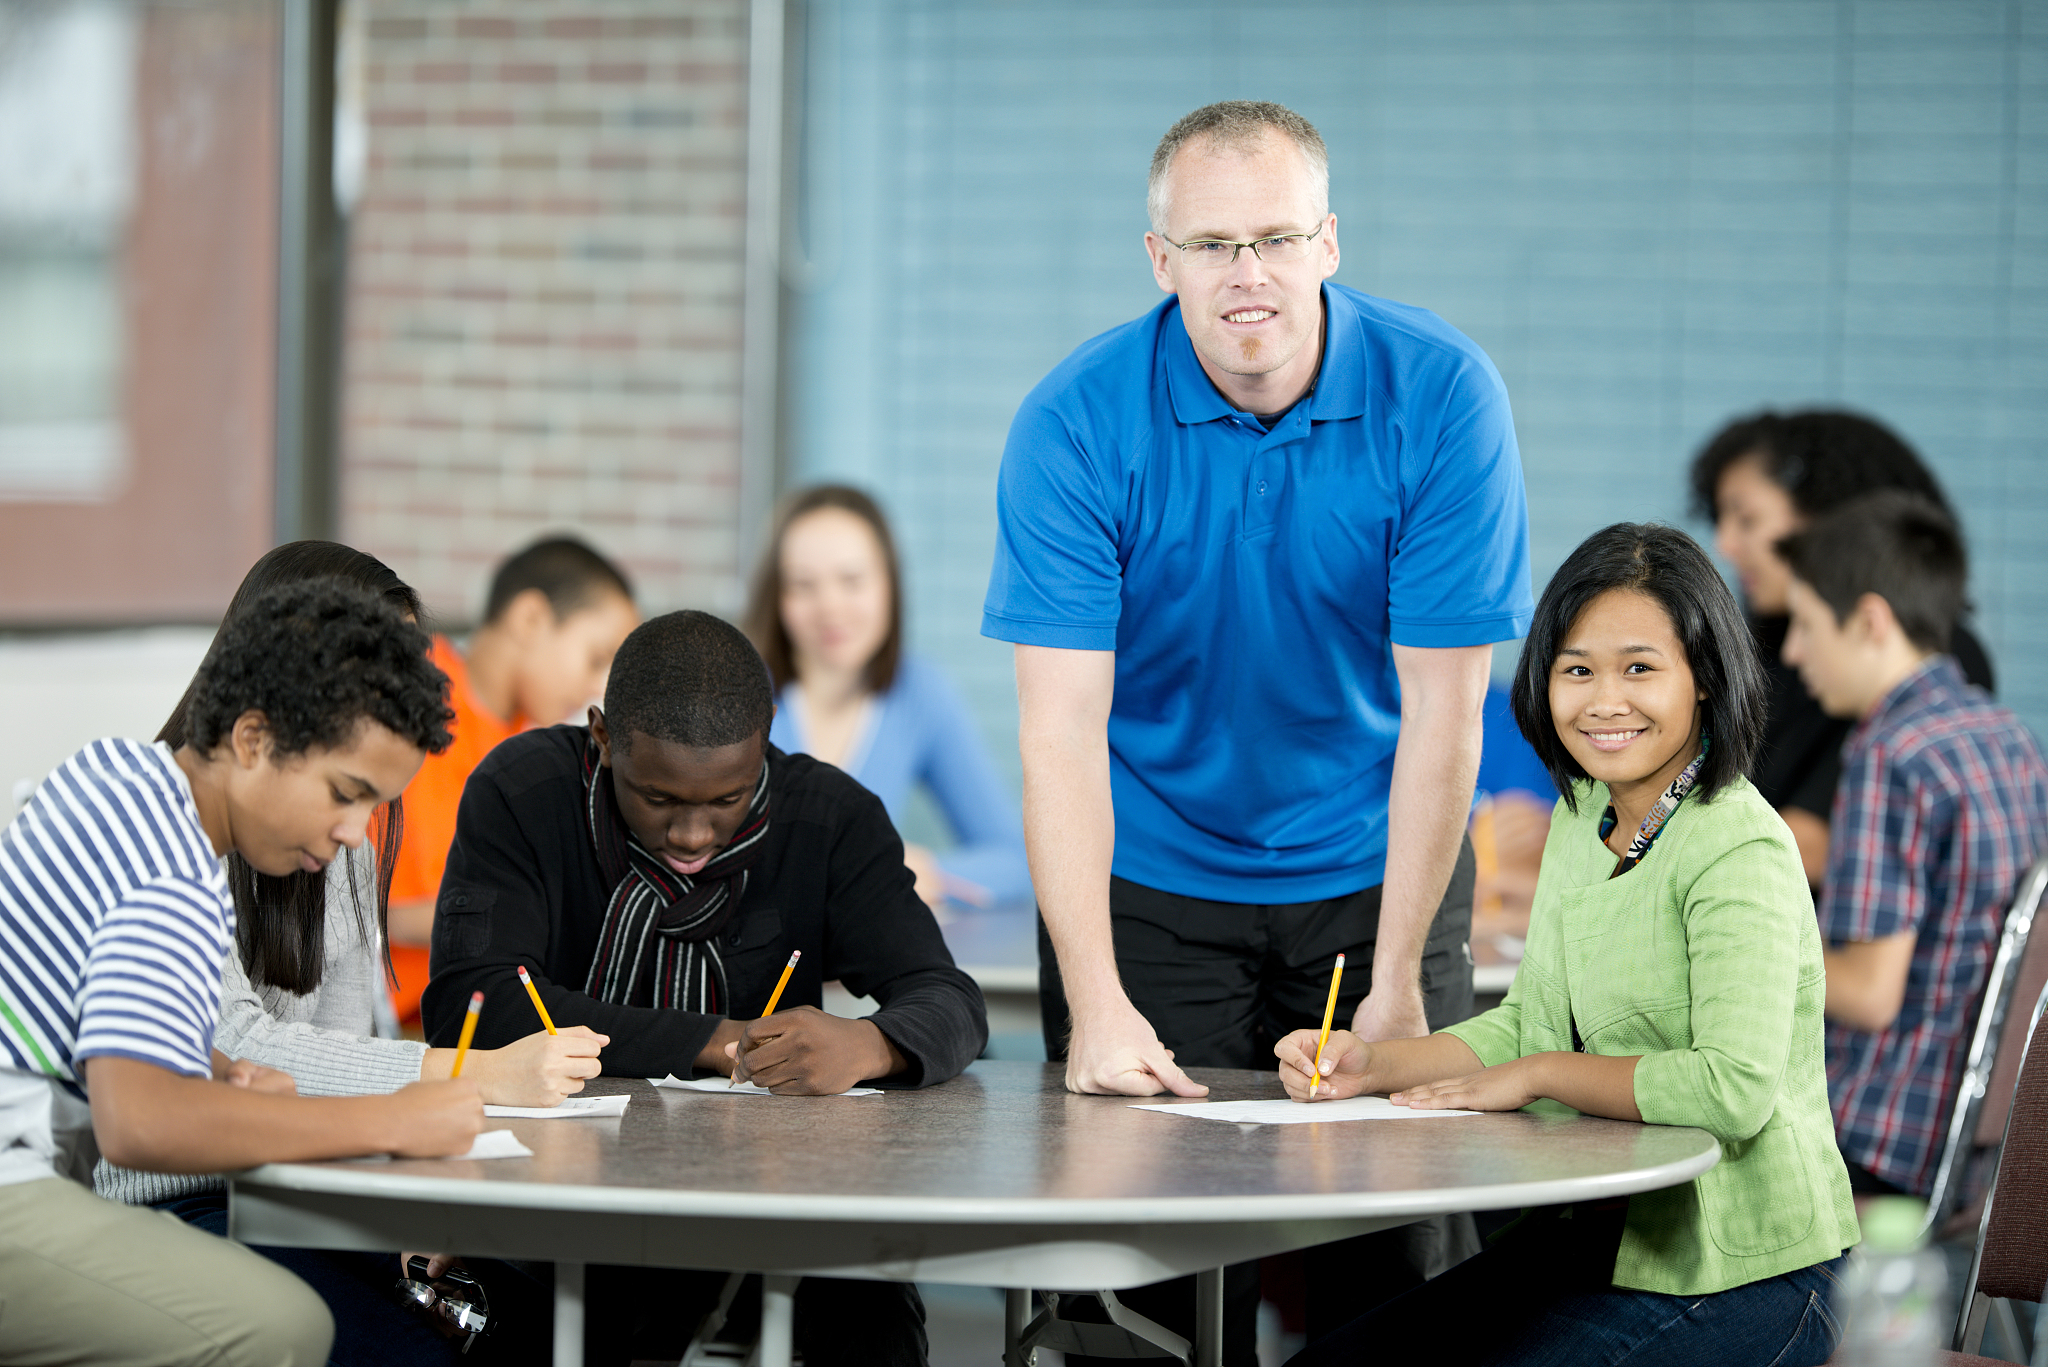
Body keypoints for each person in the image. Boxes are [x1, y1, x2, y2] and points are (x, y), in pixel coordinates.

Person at [980, 98, 1531, 1353]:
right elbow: (1059, 732)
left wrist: (1398, 984)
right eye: (1212, 244)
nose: (1248, 276)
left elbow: (1447, 713)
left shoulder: (1441, 397)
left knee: (1395, 1263)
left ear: (1330, 243)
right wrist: (1095, 995)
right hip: (1153, 880)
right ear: (1157, 256)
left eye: (1276, 238)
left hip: (1372, 871)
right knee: (1134, 1275)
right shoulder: (1074, 421)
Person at [1276, 522, 1858, 1367]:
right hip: (1601, 1243)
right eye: (1577, 669)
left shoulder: (1741, 846)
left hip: (1748, 1273)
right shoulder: (1583, 813)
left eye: (1640, 668)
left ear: (1704, 679)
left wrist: (1542, 1075)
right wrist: (1373, 1062)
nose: (1604, 700)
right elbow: (1529, 1025)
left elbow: (1734, 1089)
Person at [422, 609, 987, 1366]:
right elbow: (474, 1002)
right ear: (602, 737)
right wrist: (711, 1039)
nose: (691, 834)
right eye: (656, 797)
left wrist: (870, 1042)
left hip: (771, 1194)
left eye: (726, 798)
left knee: (867, 1319)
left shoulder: (830, 819)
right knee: (539, 1324)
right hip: (561, 1183)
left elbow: (950, 999)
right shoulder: (525, 792)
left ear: (766, 742)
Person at [94, 541, 605, 1367]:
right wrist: (468, 1072)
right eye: (367, 672)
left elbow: (341, 1053)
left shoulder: (342, 840)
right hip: (184, 1196)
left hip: (292, 1190)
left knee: (532, 1318)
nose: (394, 700)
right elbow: (231, 1045)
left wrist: (403, 1227)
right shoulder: (154, 819)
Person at [0, 579, 485, 1367]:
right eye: (345, 793)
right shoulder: (179, 876)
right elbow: (141, 1123)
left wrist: (217, 1070)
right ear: (253, 739)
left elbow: (77, 1005)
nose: (358, 834)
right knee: (282, 1323)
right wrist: (397, 1117)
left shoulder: (116, 774)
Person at [1777, 491, 2048, 1198]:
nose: (1792, 651)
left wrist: (1744, 949)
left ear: (1870, 621)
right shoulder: (2009, 736)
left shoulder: (1890, 751)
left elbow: (1869, 994)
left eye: (1804, 624)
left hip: (1872, 1133)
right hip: (1979, 1147)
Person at [1689, 409, 1995, 886]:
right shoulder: (1771, 647)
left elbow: (1809, 844)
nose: (1725, 545)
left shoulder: (1924, 681)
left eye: (1747, 519)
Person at [386, 534, 639, 1022]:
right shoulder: (416, 693)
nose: (597, 685)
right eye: (595, 656)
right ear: (529, 618)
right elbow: (392, 912)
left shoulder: (525, 743)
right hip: (392, 1027)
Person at [746, 484, 1031, 909]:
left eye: (853, 581)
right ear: (777, 597)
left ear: (889, 586)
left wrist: (913, 871)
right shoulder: (736, 694)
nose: (830, 606)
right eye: (803, 585)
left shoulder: (921, 693)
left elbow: (1016, 862)